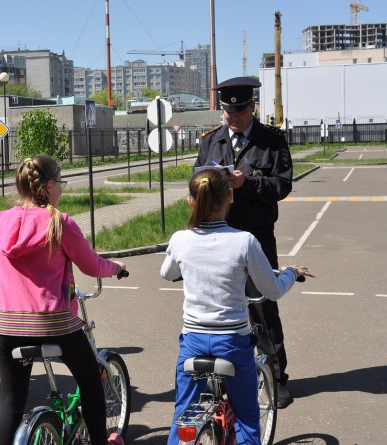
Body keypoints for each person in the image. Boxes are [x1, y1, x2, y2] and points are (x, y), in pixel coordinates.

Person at [161, 169, 313, 445]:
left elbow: (167, 273)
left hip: (193, 341)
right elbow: (272, 290)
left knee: (183, 414)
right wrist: (291, 272)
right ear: (230, 196)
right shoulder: (244, 241)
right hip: (231, 342)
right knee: (246, 420)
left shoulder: (180, 239)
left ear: (190, 201)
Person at [0, 155, 127, 445]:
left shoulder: (0, 220)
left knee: (11, 398)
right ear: (49, 186)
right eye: (61, 183)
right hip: (53, 322)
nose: (62, 190)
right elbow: (91, 265)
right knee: (91, 382)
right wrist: (116, 268)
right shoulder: (59, 222)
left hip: (7, 323)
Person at [194, 76, 296, 408]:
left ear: (253, 107)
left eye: (239, 111)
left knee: (264, 308)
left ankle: (277, 377)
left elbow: (282, 186)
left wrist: (246, 184)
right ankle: (228, 376)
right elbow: (197, 179)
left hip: (256, 237)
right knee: (221, 307)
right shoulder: (212, 140)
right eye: (228, 112)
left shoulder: (272, 140)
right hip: (217, 236)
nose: (233, 118)